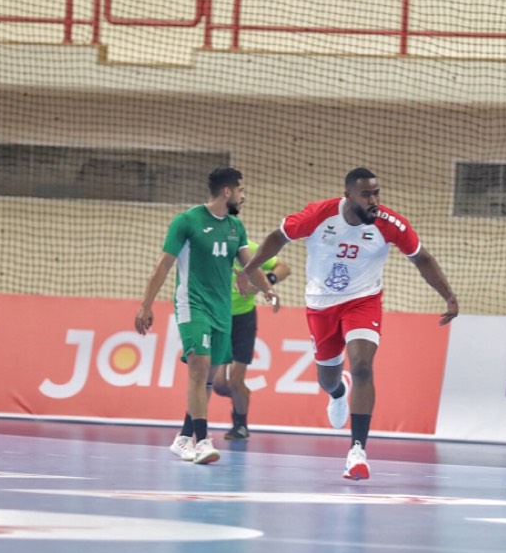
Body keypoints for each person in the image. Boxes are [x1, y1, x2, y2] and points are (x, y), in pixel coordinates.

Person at [242, 167, 459, 481]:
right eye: (366, 194)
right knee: (327, 379)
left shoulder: (389, 223)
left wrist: (448, 295)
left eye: (376, 193)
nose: (374, 200)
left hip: (363, 301)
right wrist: (249, 269)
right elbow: (278, 238)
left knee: (361, 365)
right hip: (321, 305)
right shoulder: (319, 215)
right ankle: (338, 392)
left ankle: (357, 451)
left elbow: (421, 258)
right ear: (348, 196)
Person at [135, 167, 278, 465]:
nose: (243, 196)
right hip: (193, 304)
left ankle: (183, 438)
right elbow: (163, 265)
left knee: (209, 380)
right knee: (199, 371)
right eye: (241, 190)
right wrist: (146, 305)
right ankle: (202, 441)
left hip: (222, 311)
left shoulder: (236, 227)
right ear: (227, 191)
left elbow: (249, 264)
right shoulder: (187, 221)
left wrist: (267, 290)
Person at [211, 242, 292, 440]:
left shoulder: (248, 250)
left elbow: (284, 268)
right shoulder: (212, 248)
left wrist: (265, 281)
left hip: (244, 320)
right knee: (219, 384)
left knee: (236, 380)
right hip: (219, 319)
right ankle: (242, 395)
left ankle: (240, 425)